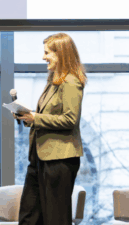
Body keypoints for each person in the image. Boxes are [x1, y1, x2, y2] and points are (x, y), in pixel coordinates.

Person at [14, 33, 87, 225]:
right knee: (29, 217)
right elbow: (47, 117)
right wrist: (28, 117)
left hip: (59, 160)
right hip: (39, 158)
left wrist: (36, 118)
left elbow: (70, 119)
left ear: (61, 53)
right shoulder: (53, 81)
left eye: (47, 53)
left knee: (55, 219)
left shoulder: (71, 81)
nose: (43, 57)